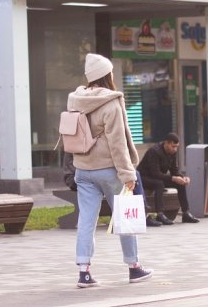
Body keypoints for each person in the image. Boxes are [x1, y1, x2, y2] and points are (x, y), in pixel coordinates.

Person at [68, 53, 153, 288]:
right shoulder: (111, 103)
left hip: (82, 169)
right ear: (107, 75)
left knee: (86, 220)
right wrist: (128, 174)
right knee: (124, 217)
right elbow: (118, 143)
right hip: (108, 170)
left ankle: (84, 271)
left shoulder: (75, 100)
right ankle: (134, 267)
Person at [64, 151, 163, 227]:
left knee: (132, 174)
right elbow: (78, 170)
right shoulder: (75, 147)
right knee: (123, 177)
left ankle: (138, 212)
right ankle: (134, 214)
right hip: (77, 179)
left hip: (90, 175)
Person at [137, 133, 199, 225]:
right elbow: (155, 173)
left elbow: (174, 171)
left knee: (179, 184)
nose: (175, 149)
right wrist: (173, 178)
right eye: (173, 146)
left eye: (177, 147)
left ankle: (185, 213)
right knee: (159, 184)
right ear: (166, 143)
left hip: (158, 177)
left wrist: (183, 178)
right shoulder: (154, 151)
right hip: (143, 178)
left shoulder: (172, 153)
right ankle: (160, 214)